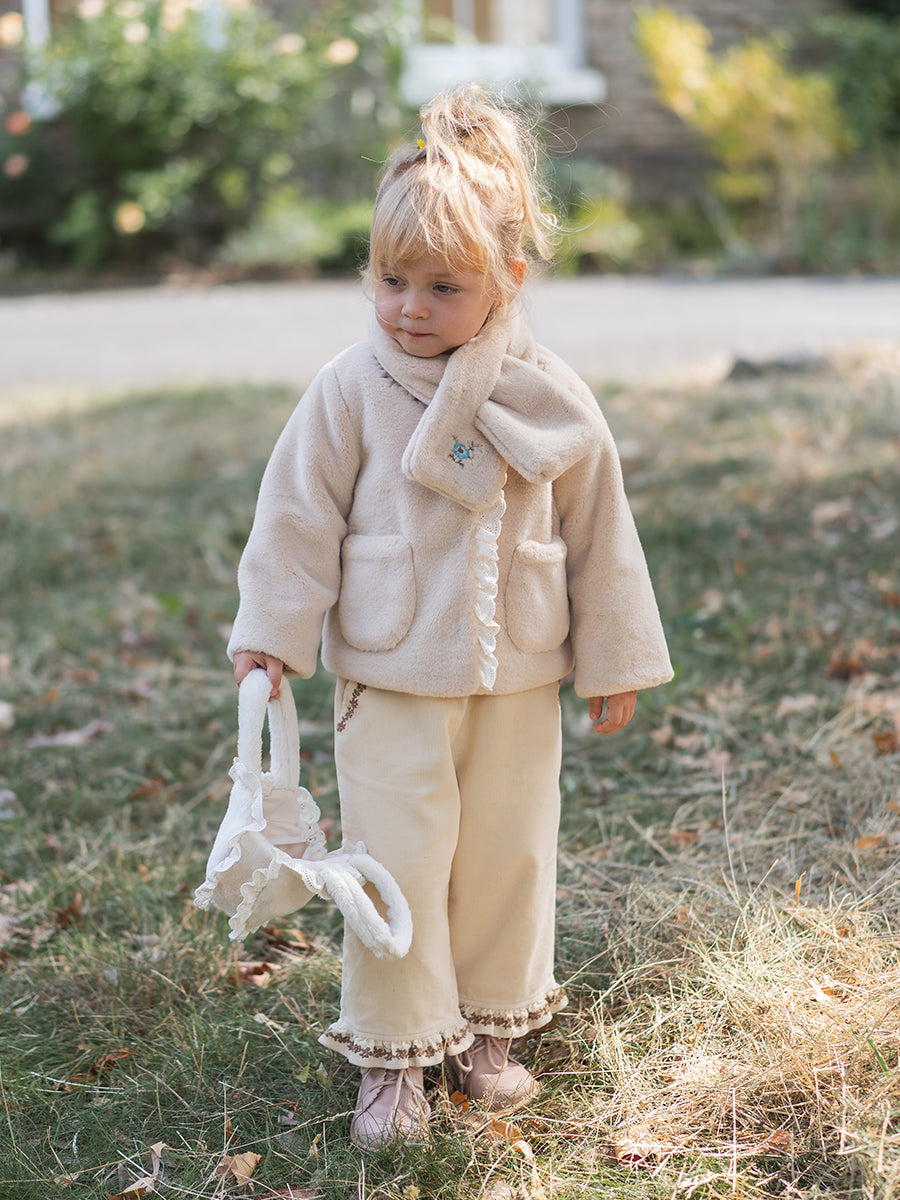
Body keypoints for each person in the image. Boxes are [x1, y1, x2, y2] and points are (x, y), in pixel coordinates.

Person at [226, 84, 673, 1150]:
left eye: (443, 287)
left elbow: (601, 529)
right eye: (391, 281)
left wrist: (612, 655)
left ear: (508, 278)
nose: (411, 309)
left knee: (508, 854)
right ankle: (395, 1054)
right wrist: (273, 634)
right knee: (399, 859)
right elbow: (295, 515)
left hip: (519, 665)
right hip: (392, 671)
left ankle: (487, 1029)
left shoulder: (549, 394)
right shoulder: (350, 388)